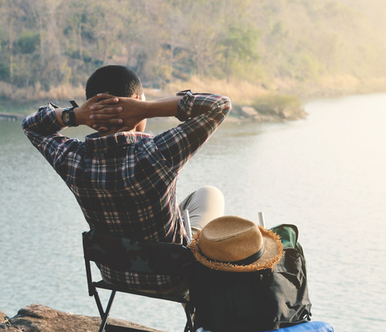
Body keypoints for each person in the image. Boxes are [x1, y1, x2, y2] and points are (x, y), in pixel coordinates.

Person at [22, 65, 231, 294]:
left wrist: (75, 115)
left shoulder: (73, 160)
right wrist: (149, 108)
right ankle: (200, 307)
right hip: (173, 277)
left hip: (115, 274)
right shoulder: (157, 153)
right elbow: (219, 105)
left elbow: (31, 125)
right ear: (136, 101)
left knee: (183, 205)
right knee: (210, 194)